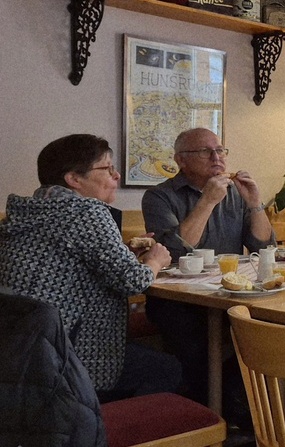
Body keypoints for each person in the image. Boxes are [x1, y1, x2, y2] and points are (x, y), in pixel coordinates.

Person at [0, 134, 178, 401]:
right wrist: (155, 260)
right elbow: (132, 281)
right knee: (168, 369)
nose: (116, 175)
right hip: (67, 356)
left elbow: (69, 264)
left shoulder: (28, 212)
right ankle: (100, 424)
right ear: (74, 179)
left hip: (21, 350)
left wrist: (125, 254)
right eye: (107, 168)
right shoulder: (85, 211)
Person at [142, 127, 274, 410]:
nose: (217, 158)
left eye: (220, 150)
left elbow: (263, 247)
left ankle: (238, 403)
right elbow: (177, 251)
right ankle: (213, 409)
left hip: (229, 294)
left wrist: (255, 203)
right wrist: (208, 200)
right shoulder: (158, 196)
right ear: (181, 160)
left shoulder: (235, 193)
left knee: (275, 327)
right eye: (205, 152)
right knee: (191, 337)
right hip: (179, 299)